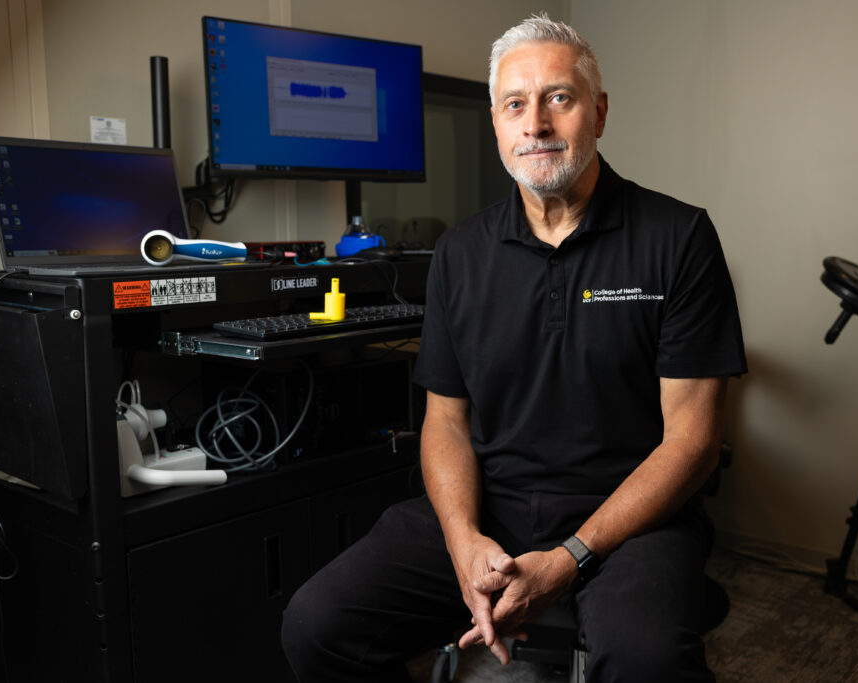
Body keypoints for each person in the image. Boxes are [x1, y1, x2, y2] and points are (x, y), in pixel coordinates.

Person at [282, 13, 746, 682]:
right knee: (317, 624)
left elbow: (693, 441)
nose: (536, 125)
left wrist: (570, 557)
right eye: (514, 104)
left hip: (632, 523)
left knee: (647, 660)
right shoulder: (460, 253)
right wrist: (463, 539)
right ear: (496, 122)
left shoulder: (678, 239)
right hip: (492, 507)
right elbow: (445, 419)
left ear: (599, 111)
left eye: (559, 97)